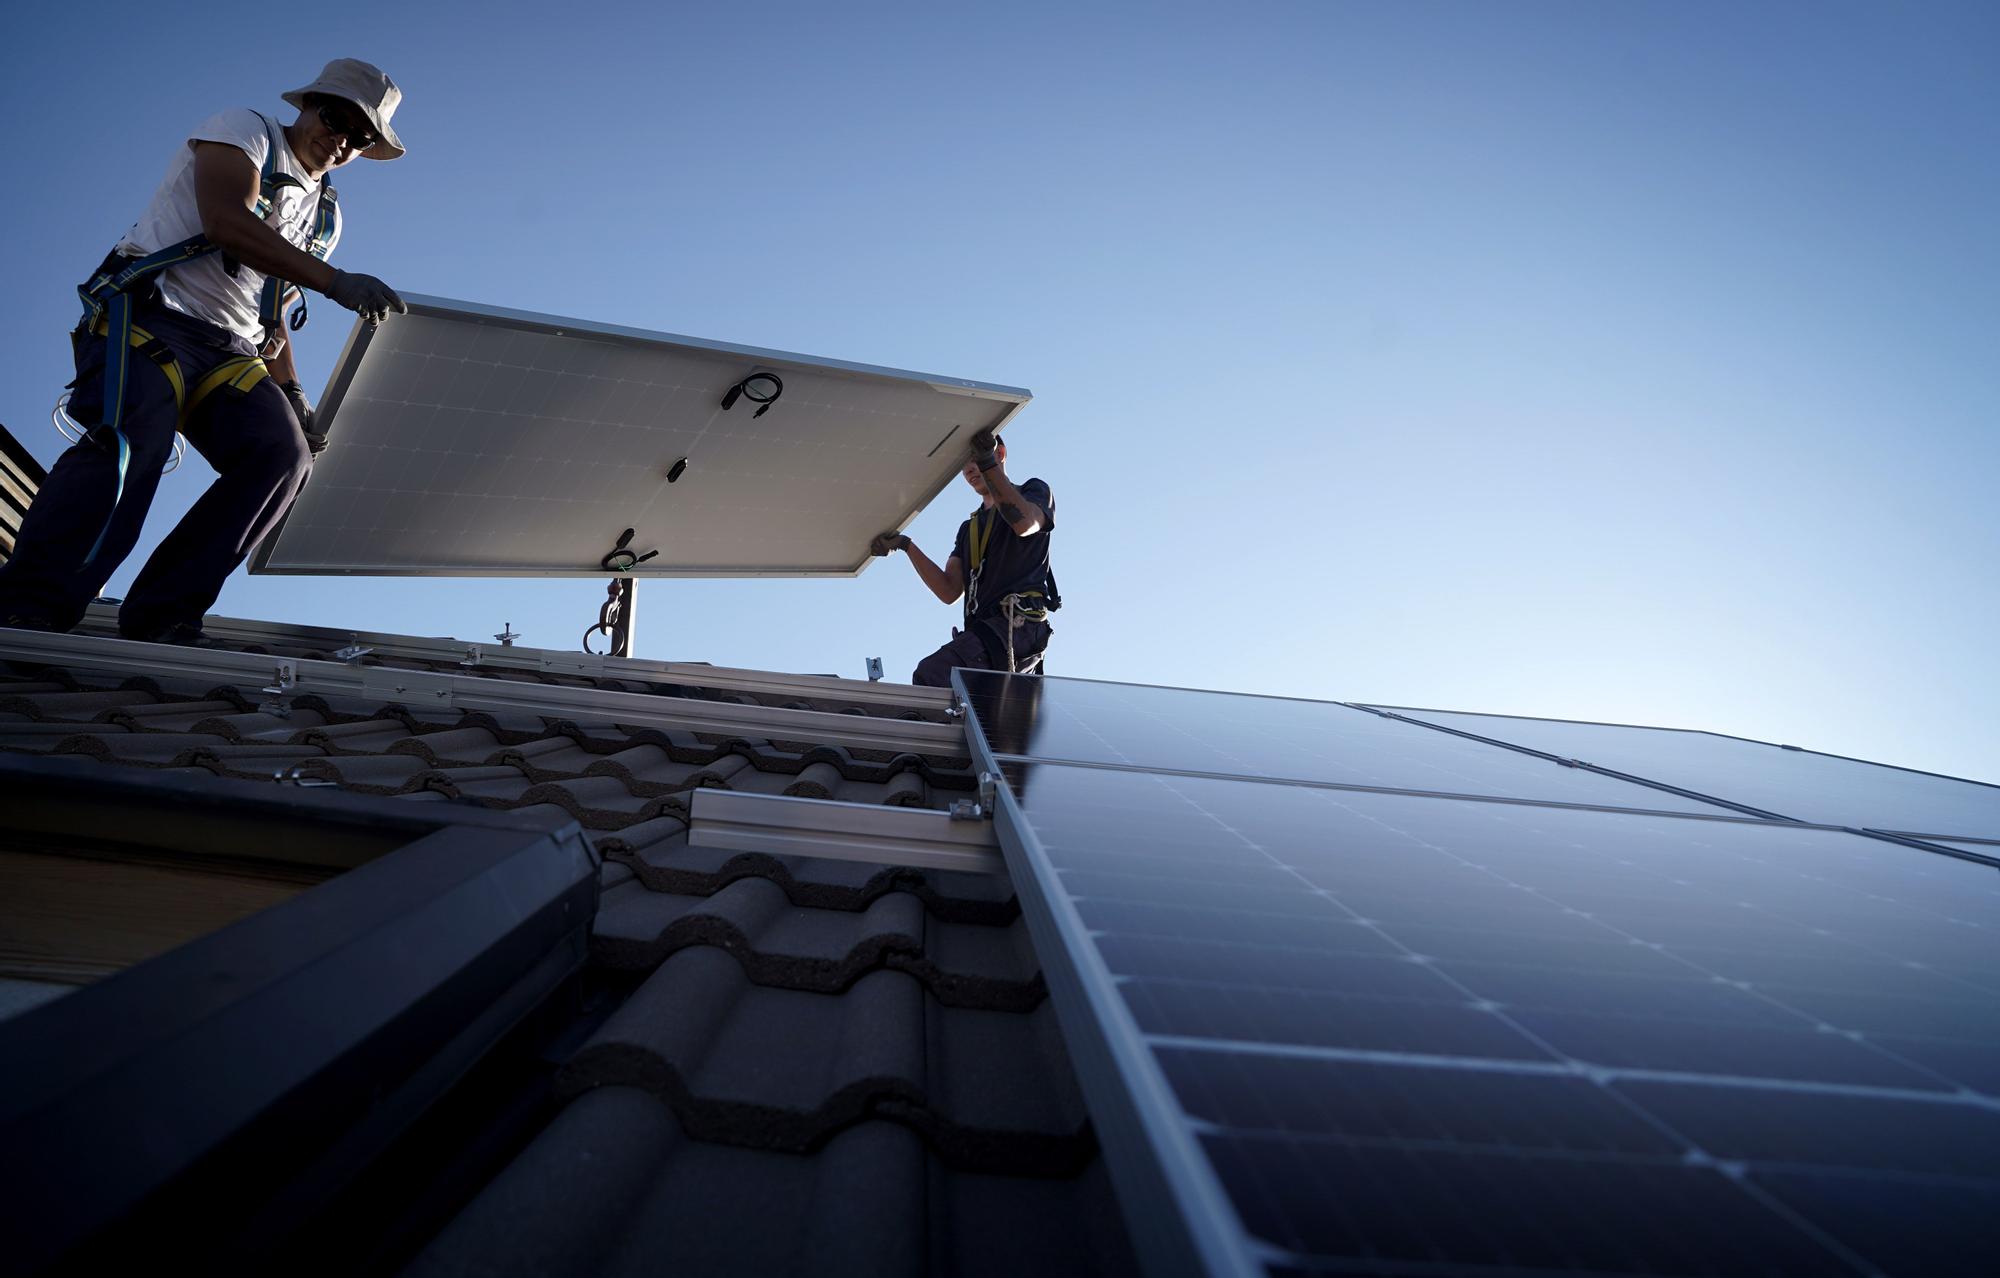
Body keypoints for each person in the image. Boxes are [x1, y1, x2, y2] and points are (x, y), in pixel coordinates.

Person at [0, 59, 410, 644]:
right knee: (133, 442)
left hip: (231, 349)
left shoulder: (326, 216)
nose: (340, 137)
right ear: (309, 103)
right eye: (336, 116)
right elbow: (225, 220)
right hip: (150, 318)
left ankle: (164, 613)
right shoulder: (245, 130)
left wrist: (293, 393)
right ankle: (29, 607)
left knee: (283, 456)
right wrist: (334, 280)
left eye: (359, 135)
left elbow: (269, 312)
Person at [873, 427, 1059, 686]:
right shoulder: (968, 529)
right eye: (963, 464)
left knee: (933, 675)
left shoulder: (1033, 491)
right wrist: (906, 546)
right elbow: (949, 591)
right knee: (973, 710)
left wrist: (987, 462)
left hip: (1018, 626)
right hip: (986, 634)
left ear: (1000, 453)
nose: (969, 468)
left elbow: (1025, 523)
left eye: (975, 458)